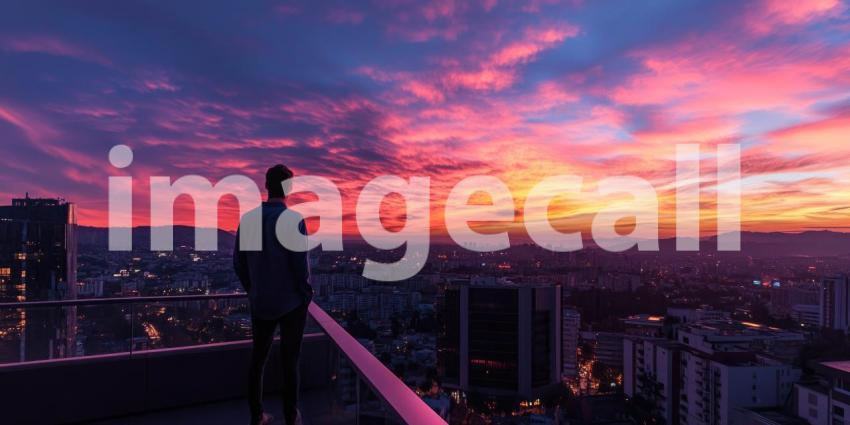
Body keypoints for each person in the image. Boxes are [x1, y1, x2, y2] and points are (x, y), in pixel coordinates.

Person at [234, 164, 313, 425]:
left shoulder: (248, 220)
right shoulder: (292, 220)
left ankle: (256, 415)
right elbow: (299, 266)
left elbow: (239, 263)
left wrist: (254, 287)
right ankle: (291, 416)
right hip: (291, 304)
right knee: (290, 362)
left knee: (258, 360)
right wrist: (305, 294)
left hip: (261, 302)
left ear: (266, 186)